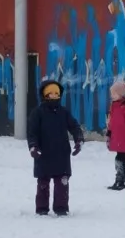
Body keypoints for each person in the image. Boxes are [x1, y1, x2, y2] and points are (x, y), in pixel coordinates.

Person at [27, 79, 83, 216]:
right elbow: (32, 132)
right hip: (43, 153)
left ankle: (61, 208)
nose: (54, 96)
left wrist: (79, 140)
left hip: (62, 154)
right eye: (51, 93)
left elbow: (74, 127)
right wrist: (33, 147)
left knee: (62, 183)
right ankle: (42, 209)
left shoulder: (64, 112)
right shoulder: (37, 113)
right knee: (43, 183)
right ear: (45, 95)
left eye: (56, 93)